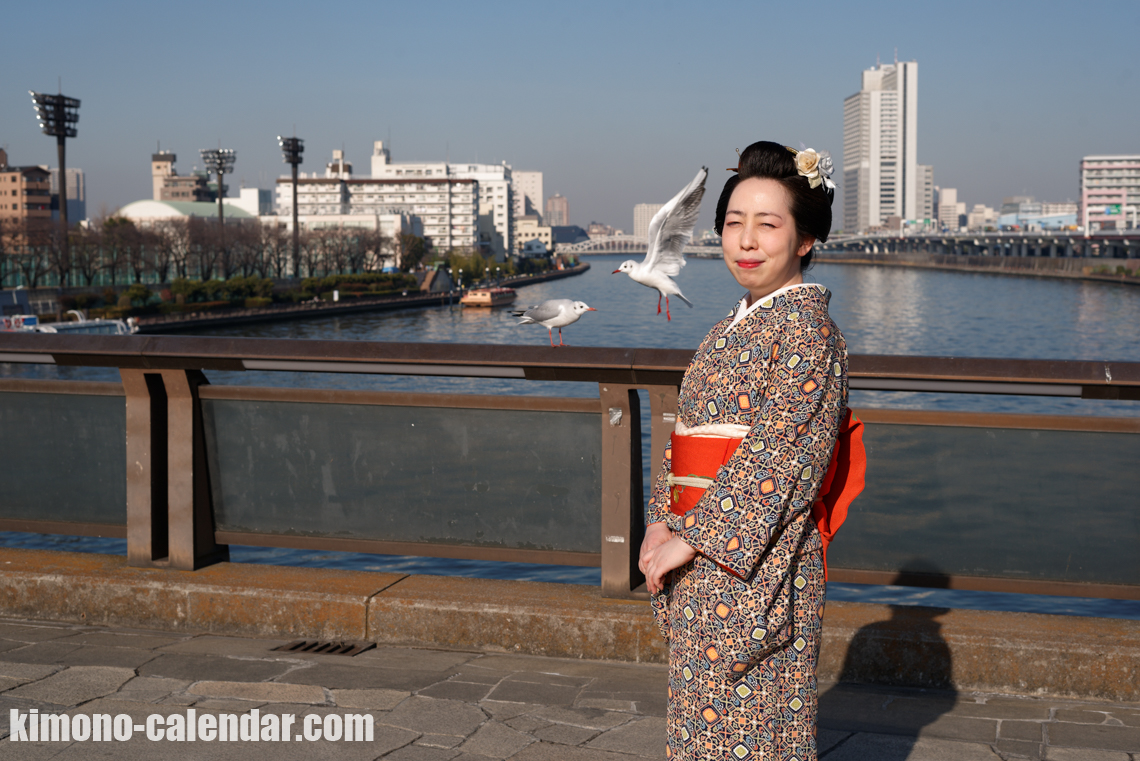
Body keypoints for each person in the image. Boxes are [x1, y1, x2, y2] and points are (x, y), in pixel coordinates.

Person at [638, 140, 849, 760]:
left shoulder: (809, 333)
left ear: (805, 240)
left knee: (755, 730)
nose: (747, 240)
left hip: (756, 565)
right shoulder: (734, 324)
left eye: (768, 223)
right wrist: (660, 519)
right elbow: (687, 438)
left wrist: (690, 535)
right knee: (704, 734)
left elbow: (781, 459)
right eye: (734, 223)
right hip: (701, 549)